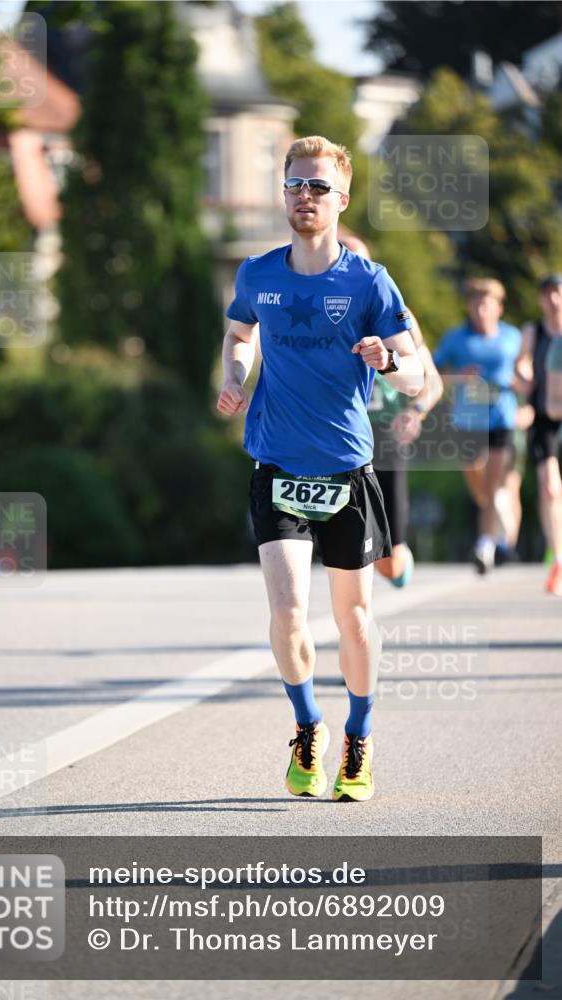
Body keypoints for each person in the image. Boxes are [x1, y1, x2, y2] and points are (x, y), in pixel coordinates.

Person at [216, 136, 423, 803]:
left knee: (354, 619)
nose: (303, 197)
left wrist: (388, 363)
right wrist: (235, 375)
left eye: (316, 188)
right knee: (286, 612)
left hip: (346, 472)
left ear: (341, 199)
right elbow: (239, 333)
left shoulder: (367, 282)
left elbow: (418, 375)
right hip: (276, 463)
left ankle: (358, 736)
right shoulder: (257, 273)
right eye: (293, 185)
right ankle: (308, 726)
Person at [340, 232, 443, 587]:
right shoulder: (319, 309)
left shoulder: (393, 312)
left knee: (393, 566)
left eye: (361, 262)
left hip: (384, 432)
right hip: (337, 430)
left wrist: (415, 411)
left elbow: (433, 382)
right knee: (346, 538)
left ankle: (396, 552)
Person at [433, 278, 521, 574]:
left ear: (498, 308)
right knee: (481, 488)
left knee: (494, 483)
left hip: (502, 418)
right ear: (469, 307)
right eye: (475, 303)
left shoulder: (513, 337)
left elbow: (526, 371)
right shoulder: (456, 338)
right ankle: (498, 528)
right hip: (467, 420)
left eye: (487, 303)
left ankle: (486, 545)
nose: (481, 309)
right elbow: (431, 374)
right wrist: (458, 377)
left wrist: (522, 385)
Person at [515, 274, 562, 595]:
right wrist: (523, 375)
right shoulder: (533, 331)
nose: (553, 300)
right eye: (547, 294)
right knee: (548, 488)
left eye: (557, 293)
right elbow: (521, 366)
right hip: (544, 420)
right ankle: (558, 558)